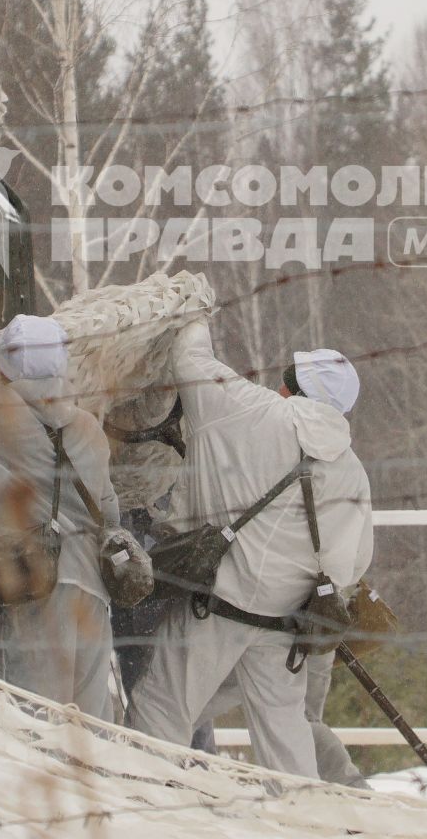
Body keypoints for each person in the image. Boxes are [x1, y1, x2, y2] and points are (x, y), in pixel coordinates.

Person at [124, 324, 373, 779]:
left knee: (162, 708)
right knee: (285, 736)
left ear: (293, 388)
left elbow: (190, 360)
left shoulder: (250, 411)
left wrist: (195, 313)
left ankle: (143, 796)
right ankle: (305, 822)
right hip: (283, 626)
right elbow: (352, 565)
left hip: (214, 612)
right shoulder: (352, 472)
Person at [0, 315, 119, 717]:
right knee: (93, 726)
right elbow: (110, 513)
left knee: (35, 722)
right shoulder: (90, 427)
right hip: (91, 590)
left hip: (35, 587)